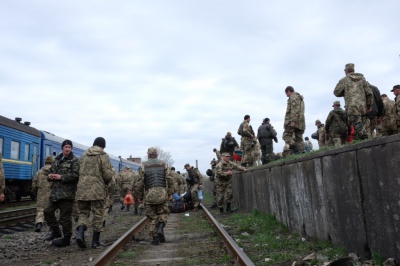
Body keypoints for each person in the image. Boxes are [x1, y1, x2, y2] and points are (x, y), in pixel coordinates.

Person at [75, 137, 115, 249]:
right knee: (98, 214)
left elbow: (78, 171)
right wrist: (107, 182)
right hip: (97, 190)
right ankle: (95, 242)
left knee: (83, 213)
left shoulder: (83, 155)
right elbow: (107, 175)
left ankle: (80, 233)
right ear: (103, 146)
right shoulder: (103, 155)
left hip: (82, 189)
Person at [133, 147, 174, 245]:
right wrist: (170, 193)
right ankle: (160, 227)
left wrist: (140, 196)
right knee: (163, 213)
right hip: (162, 193)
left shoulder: (144, 166)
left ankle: (155, 238)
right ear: (157, 155)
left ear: (148, 155)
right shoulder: (164, 164)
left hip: (149, 194)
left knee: (152, 217)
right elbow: (170, 179)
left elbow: (139, 183)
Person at [44, 139, 79, 247]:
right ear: (62, 148)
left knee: (65, 218)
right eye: (66, 147)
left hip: (67, 194)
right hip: (55, 193)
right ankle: (56, 231)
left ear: (71, 149)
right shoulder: (57, 159)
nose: (67, 149)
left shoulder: (74, 161)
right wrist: (50, 176)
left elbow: (76, 176)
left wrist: (62, 177)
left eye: (69, 147)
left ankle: (66, 238)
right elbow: (51, 172)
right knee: (47, 211)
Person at [334, 63, 373, 140]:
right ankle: (364, 140)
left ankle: (365, 139)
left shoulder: (344, 80)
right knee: (363, 124)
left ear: (346, 71)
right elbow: (369, 93)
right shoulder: (362, 79)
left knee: (356, 124)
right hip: (363, 105)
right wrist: (369, 105)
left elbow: (336, 92)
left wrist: (345, 92)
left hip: (351, 106)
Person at [31, 155, 54, 232]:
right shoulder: (54, 172)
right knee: (53, 210)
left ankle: (38, 224)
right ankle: (52, 226)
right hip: (52, 193)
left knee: (40, 210)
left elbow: (34, 184)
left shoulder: (39, 172)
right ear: (52, 163)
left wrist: (35, 193)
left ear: (45, 163)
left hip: (41, 193)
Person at [283, 86, 306, 154]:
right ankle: (302, 153)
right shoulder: (299, 97)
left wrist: (293, 121)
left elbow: (294, 110)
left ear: (289, 91)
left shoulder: (293, 97)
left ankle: (296, 148)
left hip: (293, 121)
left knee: (285, 136)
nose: (286, 95)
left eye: (286, 93)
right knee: (299, 138)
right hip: (300, 121)